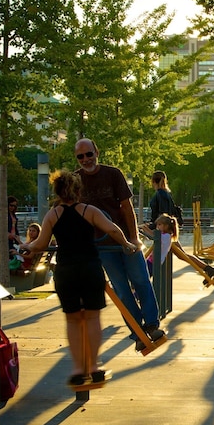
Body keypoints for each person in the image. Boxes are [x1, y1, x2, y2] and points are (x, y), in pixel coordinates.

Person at [19, 171, 140, 387]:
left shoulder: (53, 215)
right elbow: (112, 229)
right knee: (92, 318)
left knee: (73, 319)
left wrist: (27, 247)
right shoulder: (89, 211)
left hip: (66, 270)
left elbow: (39, 243)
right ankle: (93, 367)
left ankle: (77, 369)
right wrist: (127, 243)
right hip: (89, 267)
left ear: (57, 192)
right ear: (78, 190)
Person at [74, 138, 164, 352]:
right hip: (101, 245)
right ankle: (137, 331)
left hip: (124, 238)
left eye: (89, 154)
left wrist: (133, 238)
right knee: (121, 290)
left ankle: (151, 324)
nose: (86, 159)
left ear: (97, 152)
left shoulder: (112, 174)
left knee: (141, 279)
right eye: (81, 156)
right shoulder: (75, 180)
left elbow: (126, 207)